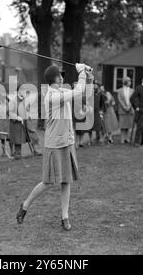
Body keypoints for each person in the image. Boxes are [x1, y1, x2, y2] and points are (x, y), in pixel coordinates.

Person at [16, 63, 93, 231]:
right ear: (56, 78)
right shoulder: (51, 97)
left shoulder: (62, 92)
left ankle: (65, 217)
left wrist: (88, 76)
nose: (63, 77)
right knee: (48, 182)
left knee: (67, 181)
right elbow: (78, 91)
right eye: (60, 75)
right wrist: (80, 73)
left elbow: (83, 94)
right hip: (53, 145)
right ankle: (25, 204)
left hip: (67, 142)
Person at [117, 77, 135, 144]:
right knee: (122, 125)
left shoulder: (132, 90)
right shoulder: (120, 90)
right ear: (125, 82)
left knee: (128, 125)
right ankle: (122, 138)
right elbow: (119, 99)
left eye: (130, 81)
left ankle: (127, 138)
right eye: (129, 81)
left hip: (130, 109)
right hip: (122, 110)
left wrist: (129, 106)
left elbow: (133, 99)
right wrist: (124, 107)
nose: (130, 82)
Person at [0, 92, 13, 158]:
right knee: (2, 138)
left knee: (10, 138)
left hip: (8, 123)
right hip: (1, 123)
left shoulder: (9, 105)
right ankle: (4, 152)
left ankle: (12, 151)